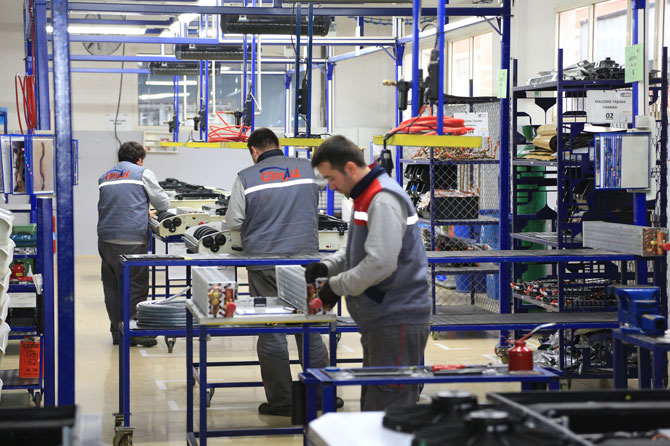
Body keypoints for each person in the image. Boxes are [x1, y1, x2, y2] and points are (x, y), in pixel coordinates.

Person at [306, 135, 431, 411]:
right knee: (375, 404)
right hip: (382, 319)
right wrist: (327, 266)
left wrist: (335, 286)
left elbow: (380, 263)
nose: (331, 186)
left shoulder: (383, 199)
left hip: (397, 318)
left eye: (332, 178)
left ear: (350, 168)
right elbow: (357, 248)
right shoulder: (366, 195)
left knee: (388, 408)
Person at [226, 127, 332, 417]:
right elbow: (327, 184)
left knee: (272, 329)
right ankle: (321, 396)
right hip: (306, 261)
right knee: (309, 325)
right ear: (277, 145)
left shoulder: (246, 177)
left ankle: (282, 401)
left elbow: (234, 220)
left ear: (254, 150)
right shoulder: (307, 169)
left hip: (264, 263)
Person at [97, 141, 170, 347]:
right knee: (135, 286)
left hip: (105, 239)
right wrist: (147, 211)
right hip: (131, 239)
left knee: (112, 286)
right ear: (139, 159)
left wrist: (141, 210)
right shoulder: (142, 173)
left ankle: (117, 332)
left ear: (119, 158)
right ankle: (134, 332)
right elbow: (163, 203)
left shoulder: (104, 177)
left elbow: (118, 204)